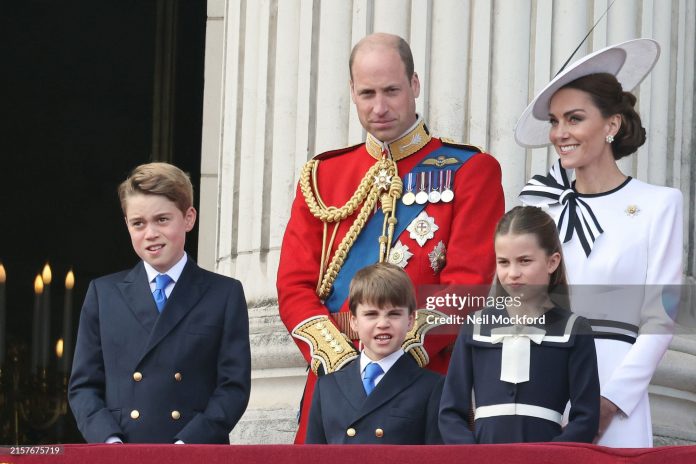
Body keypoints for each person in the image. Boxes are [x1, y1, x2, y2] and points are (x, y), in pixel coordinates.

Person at [277, 32, 504, 442]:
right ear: (351, 91)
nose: (379, 107)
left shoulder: (470, 170)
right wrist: (340, 357)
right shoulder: (322, 176)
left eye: (392, 91)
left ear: (414, 86)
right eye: (367, 93)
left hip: (421, 380)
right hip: (334, 382)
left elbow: (468, 284)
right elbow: (294, 285)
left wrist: (400, 351)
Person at [515, 39, 682, 447]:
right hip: (538, 386)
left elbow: (661, 317)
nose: (560, 133)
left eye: (574, 119)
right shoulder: (536, 204)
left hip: (614, 391)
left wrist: (609, 401)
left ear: (611, 125)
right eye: (555, 121)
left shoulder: (659, 204)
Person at [68, 162, 251, 444]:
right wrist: (109, 442)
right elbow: (83, 386)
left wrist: (186, 445)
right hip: (121, 453)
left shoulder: (223, 294)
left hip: (193, 452)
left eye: (162, 220)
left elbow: (233, 387)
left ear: (188, 218)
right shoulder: (102, 294)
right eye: (138, 223)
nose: (150, 233)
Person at [439, 206, 600, 443]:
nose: (513, 273)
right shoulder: (474, 326)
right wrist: (472, 456)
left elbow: (586, 418)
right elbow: (450, 413)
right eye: (503, 262)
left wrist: (549, 459)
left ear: (552, 262)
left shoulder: (575, 330)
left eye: (524, 261)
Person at [306, 262, 443, 444]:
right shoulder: (327, 387)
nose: (383, 323)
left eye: (394, 314)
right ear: (354, 321)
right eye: (371, 314)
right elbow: (314, 457)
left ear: (410, 321)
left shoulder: (432, 387)